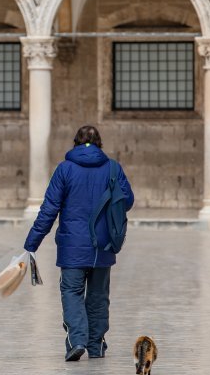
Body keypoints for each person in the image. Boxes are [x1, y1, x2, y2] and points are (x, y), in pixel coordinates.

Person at [24, 125, 134, 361]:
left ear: (75, 143)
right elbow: (128, 201)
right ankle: (96, 346)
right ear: (100, 144)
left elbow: (49, 209)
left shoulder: (64, 170)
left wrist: (32, 242)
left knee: (72, 291)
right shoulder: (113, 168)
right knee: (98, 295)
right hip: (103, 245)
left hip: (72, 246)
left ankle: (77, 340)